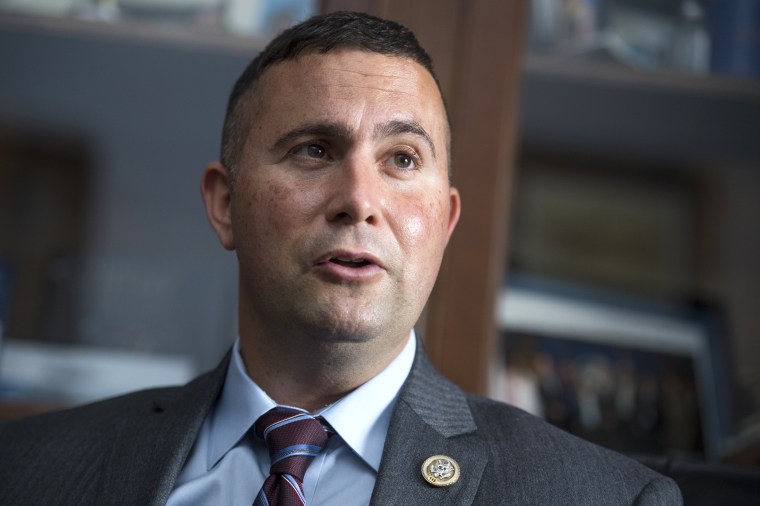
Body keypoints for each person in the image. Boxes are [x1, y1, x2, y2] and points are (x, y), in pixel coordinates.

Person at [0, 11, 682, 505]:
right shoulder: (25, 473)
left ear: (443, 223)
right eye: (314, 151)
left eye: (401, 159)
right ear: (224, 204)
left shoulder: (603, 499)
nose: (360, 200)